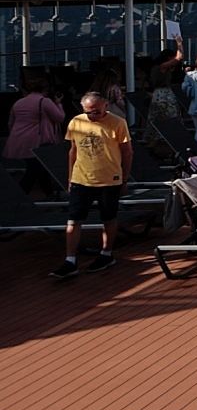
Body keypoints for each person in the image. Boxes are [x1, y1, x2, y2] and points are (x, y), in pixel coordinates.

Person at [50, 92, 131, 278]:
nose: (92, 116)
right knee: (74, 220)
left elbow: (127, 152)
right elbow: (73, 150)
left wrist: (124, 178)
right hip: (82, 178)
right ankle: (70, 260)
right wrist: (70, 177)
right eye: (88, 112)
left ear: (105, 106)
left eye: (96, 112)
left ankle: (107, 253)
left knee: (108, 217)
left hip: (109, 178)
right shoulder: (76, 122)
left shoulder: (118, 123)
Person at [4, 74, 64, 195]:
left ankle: (49, 194)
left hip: (19, 140)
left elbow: (11, 123)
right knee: (35, 170)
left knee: (40, 169)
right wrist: (58, 104)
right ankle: (19, 195)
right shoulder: (44, 101)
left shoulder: (19, 103)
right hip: (38, 141)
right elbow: (59, 118)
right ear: (45, 89)